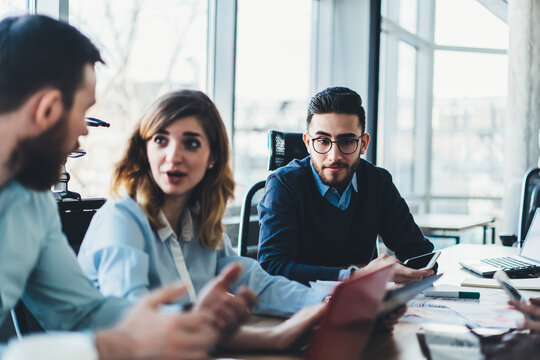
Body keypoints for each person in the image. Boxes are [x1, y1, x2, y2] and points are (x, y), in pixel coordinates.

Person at [0, 14, 253, 360]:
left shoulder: (32, 203)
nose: (83, 135)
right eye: (84, 114)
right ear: (47, 110)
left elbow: (83, 313)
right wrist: (101, 348)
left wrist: (186, 318)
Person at [77, 89, 330, 351]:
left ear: (213, 158)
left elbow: (257, 283)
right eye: (161, 140)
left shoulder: (197, 220)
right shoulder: (121, 220)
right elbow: (135, 324)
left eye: (191, 143)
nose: (173, 156)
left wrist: (326, 303)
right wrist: (271, 338)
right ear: (144, 151)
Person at [258, 86, 436, 285]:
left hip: (363, 305)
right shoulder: (283, 185)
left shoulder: (378, 182)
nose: (334, 156)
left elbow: (421, 255)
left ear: (364, 144)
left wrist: (420, 269)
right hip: (299, 305)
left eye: (347, 141)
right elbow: (272, 267)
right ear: (308, 143)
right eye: (323, 141)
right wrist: (356, 276)